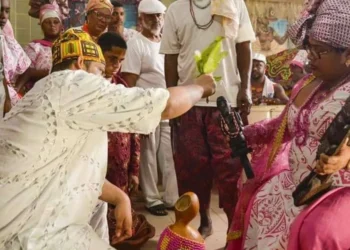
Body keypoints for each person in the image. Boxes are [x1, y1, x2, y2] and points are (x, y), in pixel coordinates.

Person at [0, 27, 216, 250]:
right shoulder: (71, 84)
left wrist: (119, 197)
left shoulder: (39, 94)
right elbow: (166, 104)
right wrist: (200, 87)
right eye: (100, 69)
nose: (105, 78)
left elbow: (71, 169)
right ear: (80, 63)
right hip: (26, 234)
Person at [227, 0, 350, 249]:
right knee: (261, 198)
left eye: (319, 51)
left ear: (347, 54)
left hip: (337, 186)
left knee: (316, 230)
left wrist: (344, 159)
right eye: (308, 48)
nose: (309, 58)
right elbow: (284, 126)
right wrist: (248, 132)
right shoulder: (308, 84)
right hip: (295, 182)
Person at [160, 0, 255, 237]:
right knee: (191, 169)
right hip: (188, 103)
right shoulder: (175, 10)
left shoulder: (235, 4)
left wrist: (246, 88)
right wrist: (172, 100)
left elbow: (244, 46)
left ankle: (234, 228)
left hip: (226, 103)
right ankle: (203, 221)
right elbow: (170, 58)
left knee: (231, 170)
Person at [97, 32, 155, 249]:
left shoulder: (124, 89)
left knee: (121, 223)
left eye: (121, 61)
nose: (116, 66)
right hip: (96, 164)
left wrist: (134, 169)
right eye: (112, 59)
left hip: (120, 165)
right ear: (98, 54)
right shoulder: (85, 88)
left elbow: (135, 130)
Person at [122, 0, 179, 217]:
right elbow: (129, 81)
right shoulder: (136, 44)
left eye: (159, 15)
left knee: (169, 154)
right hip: (147, 110)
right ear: (141, 18)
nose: (156, 20)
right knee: (148, 155)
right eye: (151, 16)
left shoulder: (167, 41)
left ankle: (172, 198)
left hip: (169, 107)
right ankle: (152, 198)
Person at [15, 3, 62, 95]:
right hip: (39, 93)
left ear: (61, 24)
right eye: (47, 22)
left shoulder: (67, 45)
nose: (52, 25)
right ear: (41, 25)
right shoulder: (34, 47)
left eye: (56, 22)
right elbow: (26, 72)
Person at [0, 0, 31, 105]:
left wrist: (17, 86)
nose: (3, 16)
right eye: (0, 10)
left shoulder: (6, 36)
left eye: (7, 11)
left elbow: (26, 67)